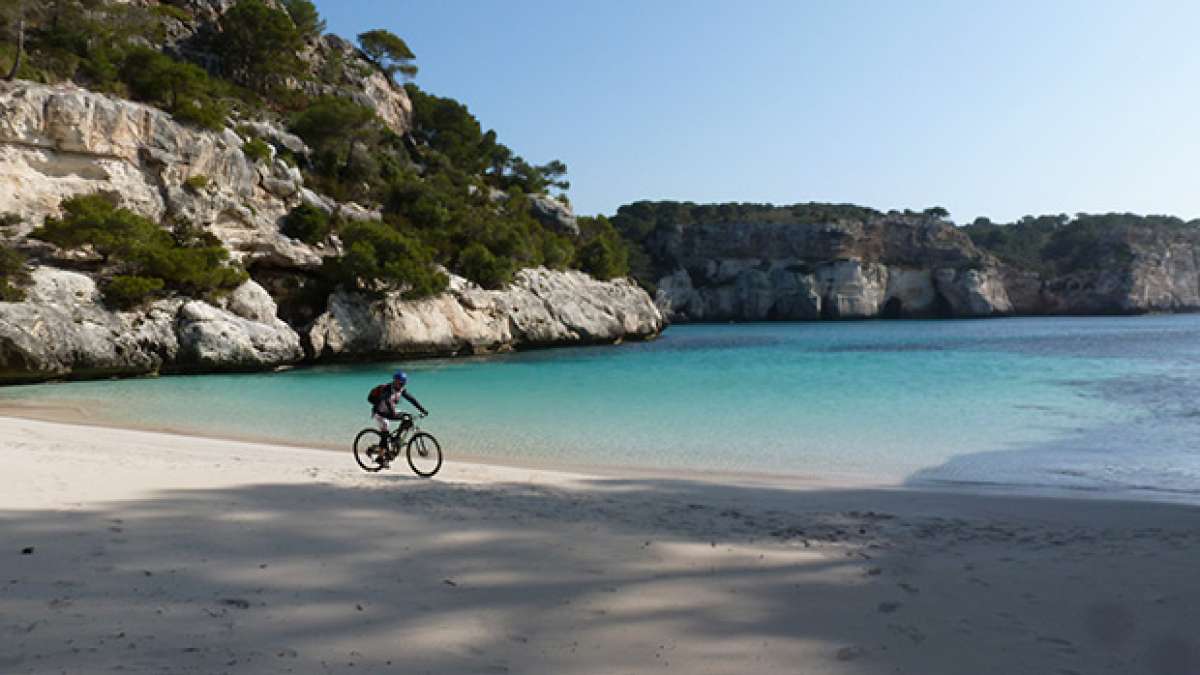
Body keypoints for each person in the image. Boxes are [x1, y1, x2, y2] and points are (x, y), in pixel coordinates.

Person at [371, 370, 429, 467]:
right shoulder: (387, 389)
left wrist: (422, 409)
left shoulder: (401, 389)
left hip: (390, 411)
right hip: (380, 413)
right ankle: (380, 458)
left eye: (404, 382)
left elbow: (411, 399)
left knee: (408, 418)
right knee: (385, 433)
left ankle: (396, 440)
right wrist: (393, 414)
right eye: (401, 382)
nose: (402, 384)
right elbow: (388, 402)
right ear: (395, 381)